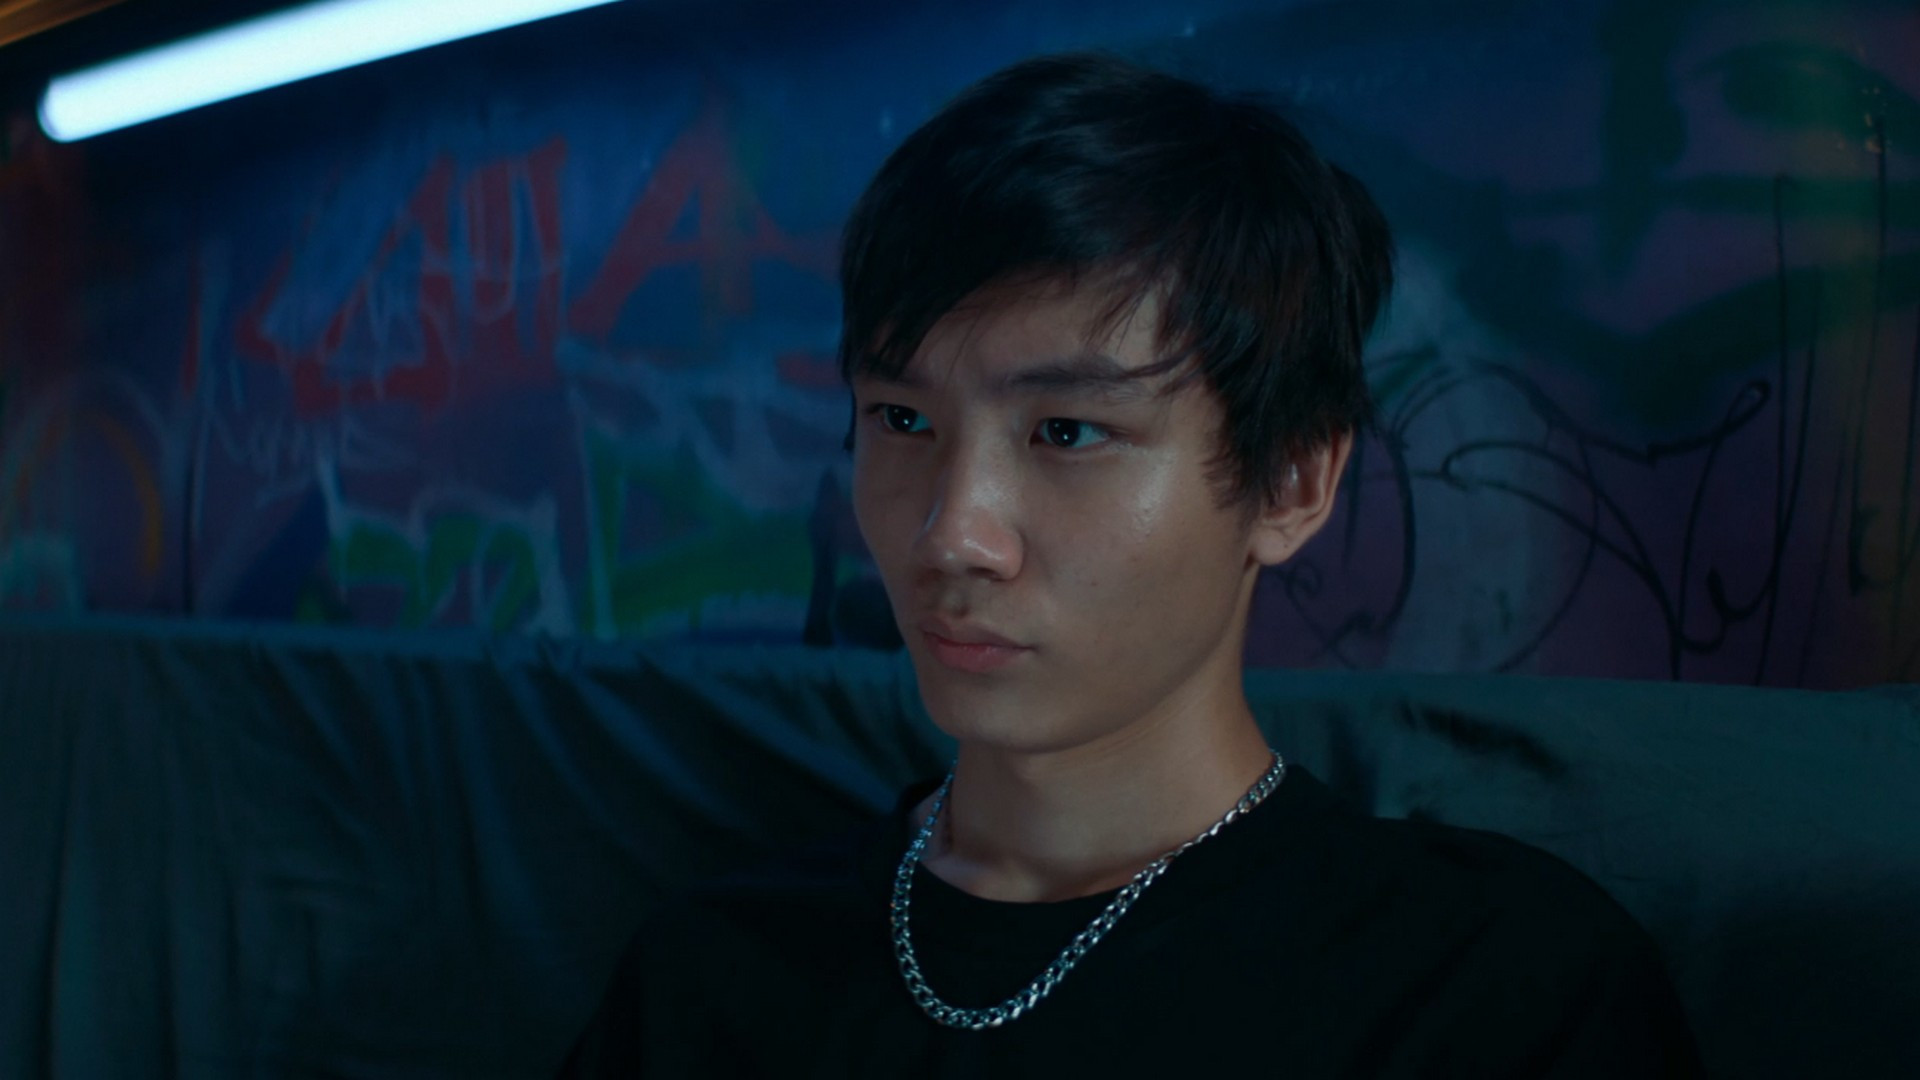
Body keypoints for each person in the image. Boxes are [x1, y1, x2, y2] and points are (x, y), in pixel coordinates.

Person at [559, 52, 1702, 1077]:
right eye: (903, 421)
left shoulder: (1489, 988)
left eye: (1067, 433)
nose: (953, 535)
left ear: (1291, 485)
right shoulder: (713, 977)